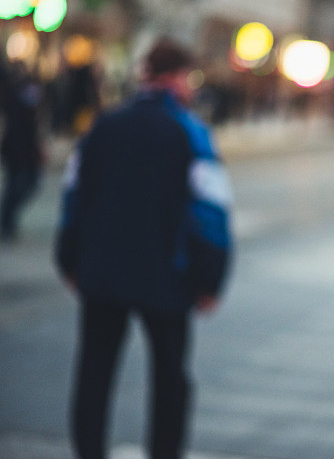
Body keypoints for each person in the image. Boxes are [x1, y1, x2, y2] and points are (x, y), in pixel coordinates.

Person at [55, 39, 232, 459]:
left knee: (95, 371)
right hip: (168, 275)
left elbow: (74, 195)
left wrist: (69, 259)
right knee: (170, 376)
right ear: (176, 77)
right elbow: (210, 213)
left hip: (102, 271)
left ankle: (89, 450)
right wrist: (211, 278)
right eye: (189, 78)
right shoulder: (191, 132)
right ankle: (164, 452)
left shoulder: (105, 124)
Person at [1, 64, 44, 240]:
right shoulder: (14, 94)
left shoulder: (17, 93)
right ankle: (6, 220)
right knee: (23, 183)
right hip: (19, 148)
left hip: (19, 147)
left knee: (17, 184)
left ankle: (7, 220)